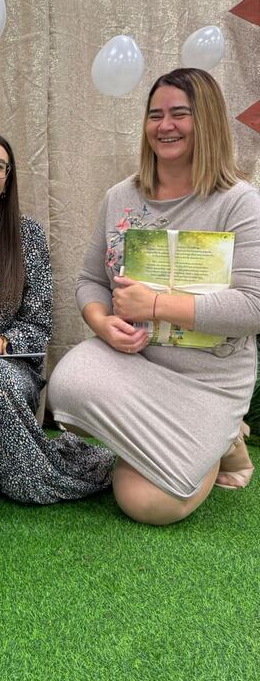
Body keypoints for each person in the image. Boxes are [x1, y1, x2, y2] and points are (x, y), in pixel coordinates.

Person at [48, 68, 260, 524]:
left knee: (148, 504)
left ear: (207, 121)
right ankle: (199, 440)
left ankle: (223, 437)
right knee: (66, 391)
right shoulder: (120, 197)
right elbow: (90, 281)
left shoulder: (239, 201)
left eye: (180, 114)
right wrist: (103, 322)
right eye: (155, 115)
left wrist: (156, 306)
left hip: (208, 379)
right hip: (136, 365)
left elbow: (253, 307)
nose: (165, 126)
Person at [0, 130, 115, 501]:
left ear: (7, 180)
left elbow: (39, 323)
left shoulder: (27, 235)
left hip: (11, 363)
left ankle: (1, 478)